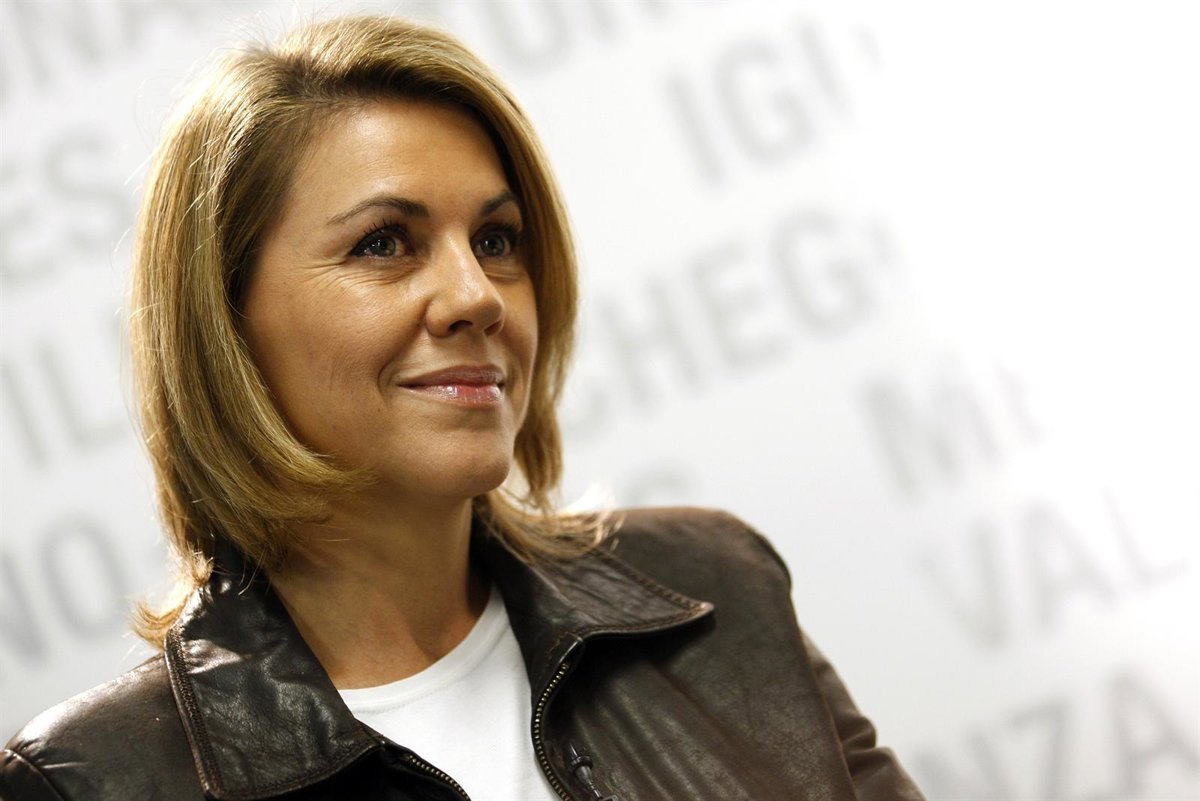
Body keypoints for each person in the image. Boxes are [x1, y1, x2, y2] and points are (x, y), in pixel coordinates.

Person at [1, 16, 925, 801]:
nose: (477, 295)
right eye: (384, 243)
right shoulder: (88, 780)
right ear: (226, 320)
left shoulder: (722, 588)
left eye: (497, 239)